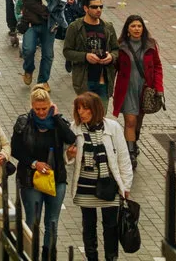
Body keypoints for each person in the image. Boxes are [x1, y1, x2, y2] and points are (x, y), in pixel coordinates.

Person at [11, 85, 76, 260]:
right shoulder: (24, 123)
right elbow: (16, 150)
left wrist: (56, 117)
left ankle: (48, 255)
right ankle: (31, 255)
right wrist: (34, 163)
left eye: (44, 108)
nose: (41, 112)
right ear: (31, 106)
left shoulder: (58, 122)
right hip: (31, 180)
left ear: (50, 106)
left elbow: (71, 139)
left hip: (56, 179)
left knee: (52, 222)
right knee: (33, 220)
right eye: (37, 108)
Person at [69, 92, 133, 261]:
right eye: (79, 108)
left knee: (111, 226)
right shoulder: (74, 128)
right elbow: (66, 157)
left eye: (85, 108)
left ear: (95, 109)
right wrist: (69, 155)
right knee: (88, 226)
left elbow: (123, 157)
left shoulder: (112, 127)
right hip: (84, 186)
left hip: (108, 185)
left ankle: (111, 257)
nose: (81, 112)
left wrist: (125, 185)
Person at [112, 15, 164, 170]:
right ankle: (130, 153)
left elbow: (157, 66)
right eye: (133, 26)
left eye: (139, 26)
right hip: (126, 89)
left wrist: (159, 88)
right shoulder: (120, 46)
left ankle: (133, 143)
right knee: (130, 121)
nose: (136, 29)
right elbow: (114, 67)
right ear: (127, 28)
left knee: (138, 122)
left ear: (143, 28)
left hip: (144, 89)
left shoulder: (150, 45)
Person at [63, 0, 118, 106]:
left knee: (101, 116)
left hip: (104, 79)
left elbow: (116, 49)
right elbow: (67, 51)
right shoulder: (75, 27)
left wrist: (111, 57)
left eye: (100, 6)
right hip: (84, 80)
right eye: (94, 7)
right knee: (87, 116)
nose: (98, 9)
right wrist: (85, 56)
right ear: (85, 8)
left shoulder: (108, 27)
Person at [17, 0, 54, 88]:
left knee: (48, 54)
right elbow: (28, 2)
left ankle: (43, 81)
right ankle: (28, 69)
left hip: (49, 24)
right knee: (28, 50)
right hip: (31, 22)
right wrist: (46, 11)